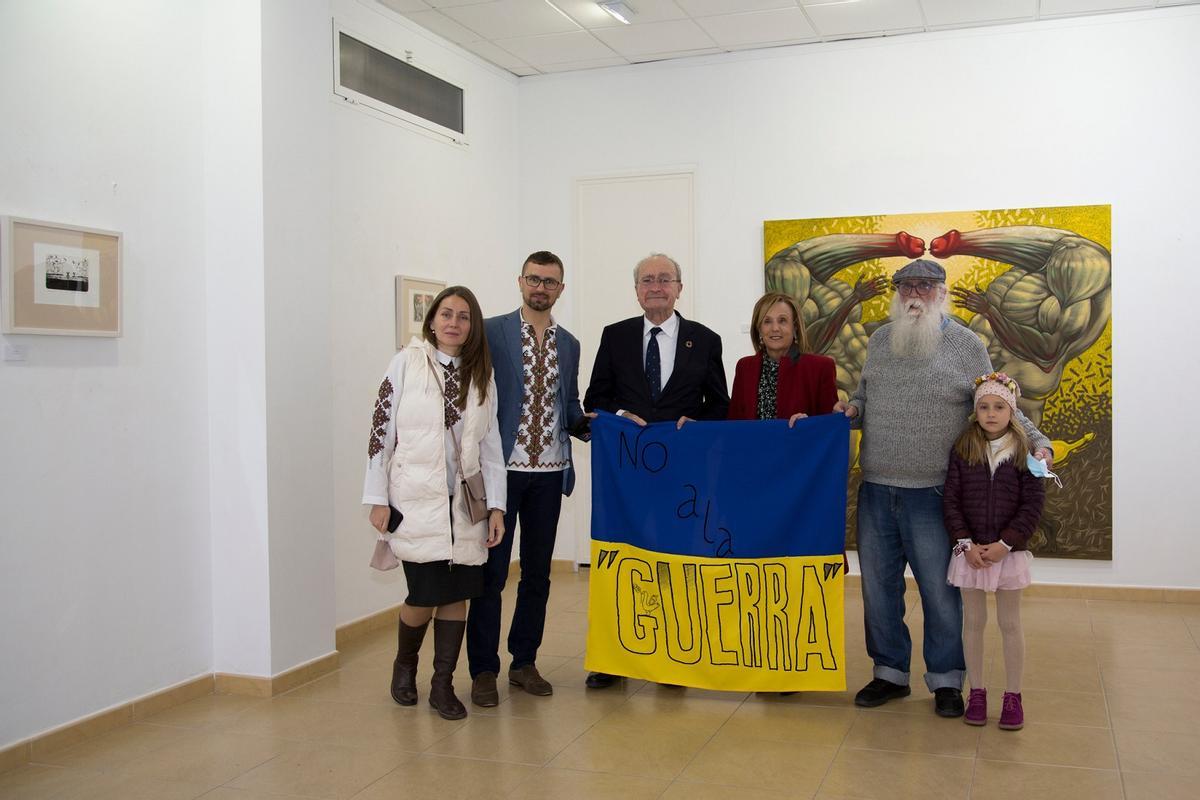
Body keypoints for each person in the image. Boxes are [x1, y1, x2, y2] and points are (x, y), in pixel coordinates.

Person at [834, 258, 1052, 718]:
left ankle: (948, 681)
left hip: (934, 494)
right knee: (878, 589)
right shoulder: (878, 341)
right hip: (876, 488)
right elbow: (865, 397)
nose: (915, 293)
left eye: (925, 286)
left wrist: (1039, 442)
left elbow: (1000, 403)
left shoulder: (967, 344)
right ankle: (889, 673)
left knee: (940, 591)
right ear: (896, 293)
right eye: (906, 285)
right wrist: (851, 409)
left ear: (942, 291)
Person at [582, 252, 730, 689]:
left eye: (666, 279)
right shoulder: (615, 336)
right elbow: (596, 399)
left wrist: (697, 423)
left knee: (679, 561)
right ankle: (612, 659)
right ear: (636, 290)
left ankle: (674, 654)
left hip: (683, 474)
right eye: (647, 280)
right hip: (626, 473)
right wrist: (622, 412)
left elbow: (719, 404)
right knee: (624, 560)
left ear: (680, 288)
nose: (656, 286)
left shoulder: (705, 339)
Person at [362, 286, 507, 721]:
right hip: (414, 500)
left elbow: (491, 446)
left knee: (457, 594)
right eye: (446, 314)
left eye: (464, 317)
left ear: (472, 326)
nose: (454, 323)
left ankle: (442, 685)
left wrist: (496, 506)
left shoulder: (482, 375)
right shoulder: (406, 363)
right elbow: (380, 431)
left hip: (464, 506)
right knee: (423, 593)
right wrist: (376, 496)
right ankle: (404, 665)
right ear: (432, 319)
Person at [466, 251, 586, 707]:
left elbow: (569, 406)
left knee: (537, 574)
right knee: (491, 575)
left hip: (550, 476)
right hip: (502, 473)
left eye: (550, 281)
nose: (541, 287)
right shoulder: (493, 331)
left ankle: (523, 662)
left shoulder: (570, 344)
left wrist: (600, 426)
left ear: (561, 289)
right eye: (534, 279)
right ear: (520, 282)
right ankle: (482, 669)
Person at [944, 373, 1045, 730]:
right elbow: (952, 501)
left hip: (1008, 553)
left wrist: (1006, 544)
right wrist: (965, 543)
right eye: (984, 406)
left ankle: (1013, 696)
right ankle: (978, 693)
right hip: (970, 553)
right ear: (975, 411)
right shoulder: (963, 448)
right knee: (972, 623)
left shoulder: (1025, 453)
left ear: (1011, 411)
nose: (990, 413)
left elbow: (1033, 505)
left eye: (999, 406)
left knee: (1009, 623)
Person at [727, 291, 838, 423]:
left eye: (782, 320)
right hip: (754, 444)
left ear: (795, 327)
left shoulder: (821, 367)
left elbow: (830, 426)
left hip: (800, 443)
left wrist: (808, 424)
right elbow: (734, 425)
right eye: (767, 321)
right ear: (759, 329)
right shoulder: (744, 367)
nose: (775, 328)